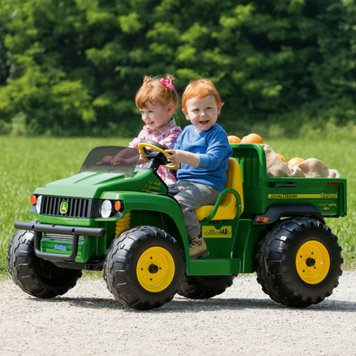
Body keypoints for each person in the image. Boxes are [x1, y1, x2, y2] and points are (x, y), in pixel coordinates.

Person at [167, 79, 232, 259]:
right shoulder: (186, 132)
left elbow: (211, 161)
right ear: (186, 113)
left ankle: (196, 242)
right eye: (196, 110)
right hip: (185, 183)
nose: (203, 114)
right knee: (159, 198)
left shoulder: (217, 134)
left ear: (219, 108)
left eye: (209, 108)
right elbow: (174, 158)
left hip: (209, 185)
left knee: (180, 203)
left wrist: (183, 156)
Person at [100, 75, 181, 185]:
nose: (145, 117)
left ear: (169, 109)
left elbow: (152, 155)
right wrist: (116, 159)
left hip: (161, 182)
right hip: (141, 176)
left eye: (150, 111)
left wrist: (127, 162)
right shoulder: (147, 130)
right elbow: (132, 148)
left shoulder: (175, 134)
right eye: (142, 112)